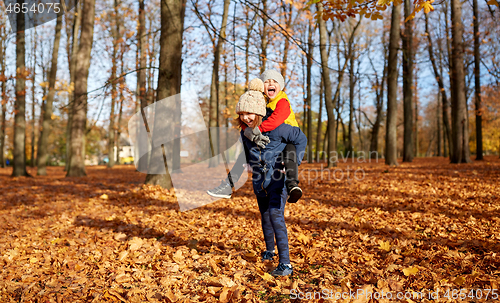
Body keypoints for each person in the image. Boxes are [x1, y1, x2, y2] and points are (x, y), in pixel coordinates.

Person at [233, 78, 306, 276]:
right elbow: (244, 153)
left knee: (275, 216)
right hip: (259, 181)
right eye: (242, 114)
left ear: (258, 111)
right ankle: (269, 251)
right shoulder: (245, 133)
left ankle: (286, 264)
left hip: (278, 179)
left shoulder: (278, 127)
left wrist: (293, 162)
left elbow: (301, 138)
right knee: (265, 216)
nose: (246, 118)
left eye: (249, 114)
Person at [207, 69, 304, 203]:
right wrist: (247, 130)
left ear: (280, 86)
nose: (270, 83)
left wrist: (258, 129)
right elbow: (247, 115)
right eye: (266, 81)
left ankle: (293, 185)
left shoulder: (282, 101)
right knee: (243, 155)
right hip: (268, 137)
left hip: (287, 138)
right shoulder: (262, 101)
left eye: (274, 81)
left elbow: (276, 119)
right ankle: (228, 186)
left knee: (290, 152)